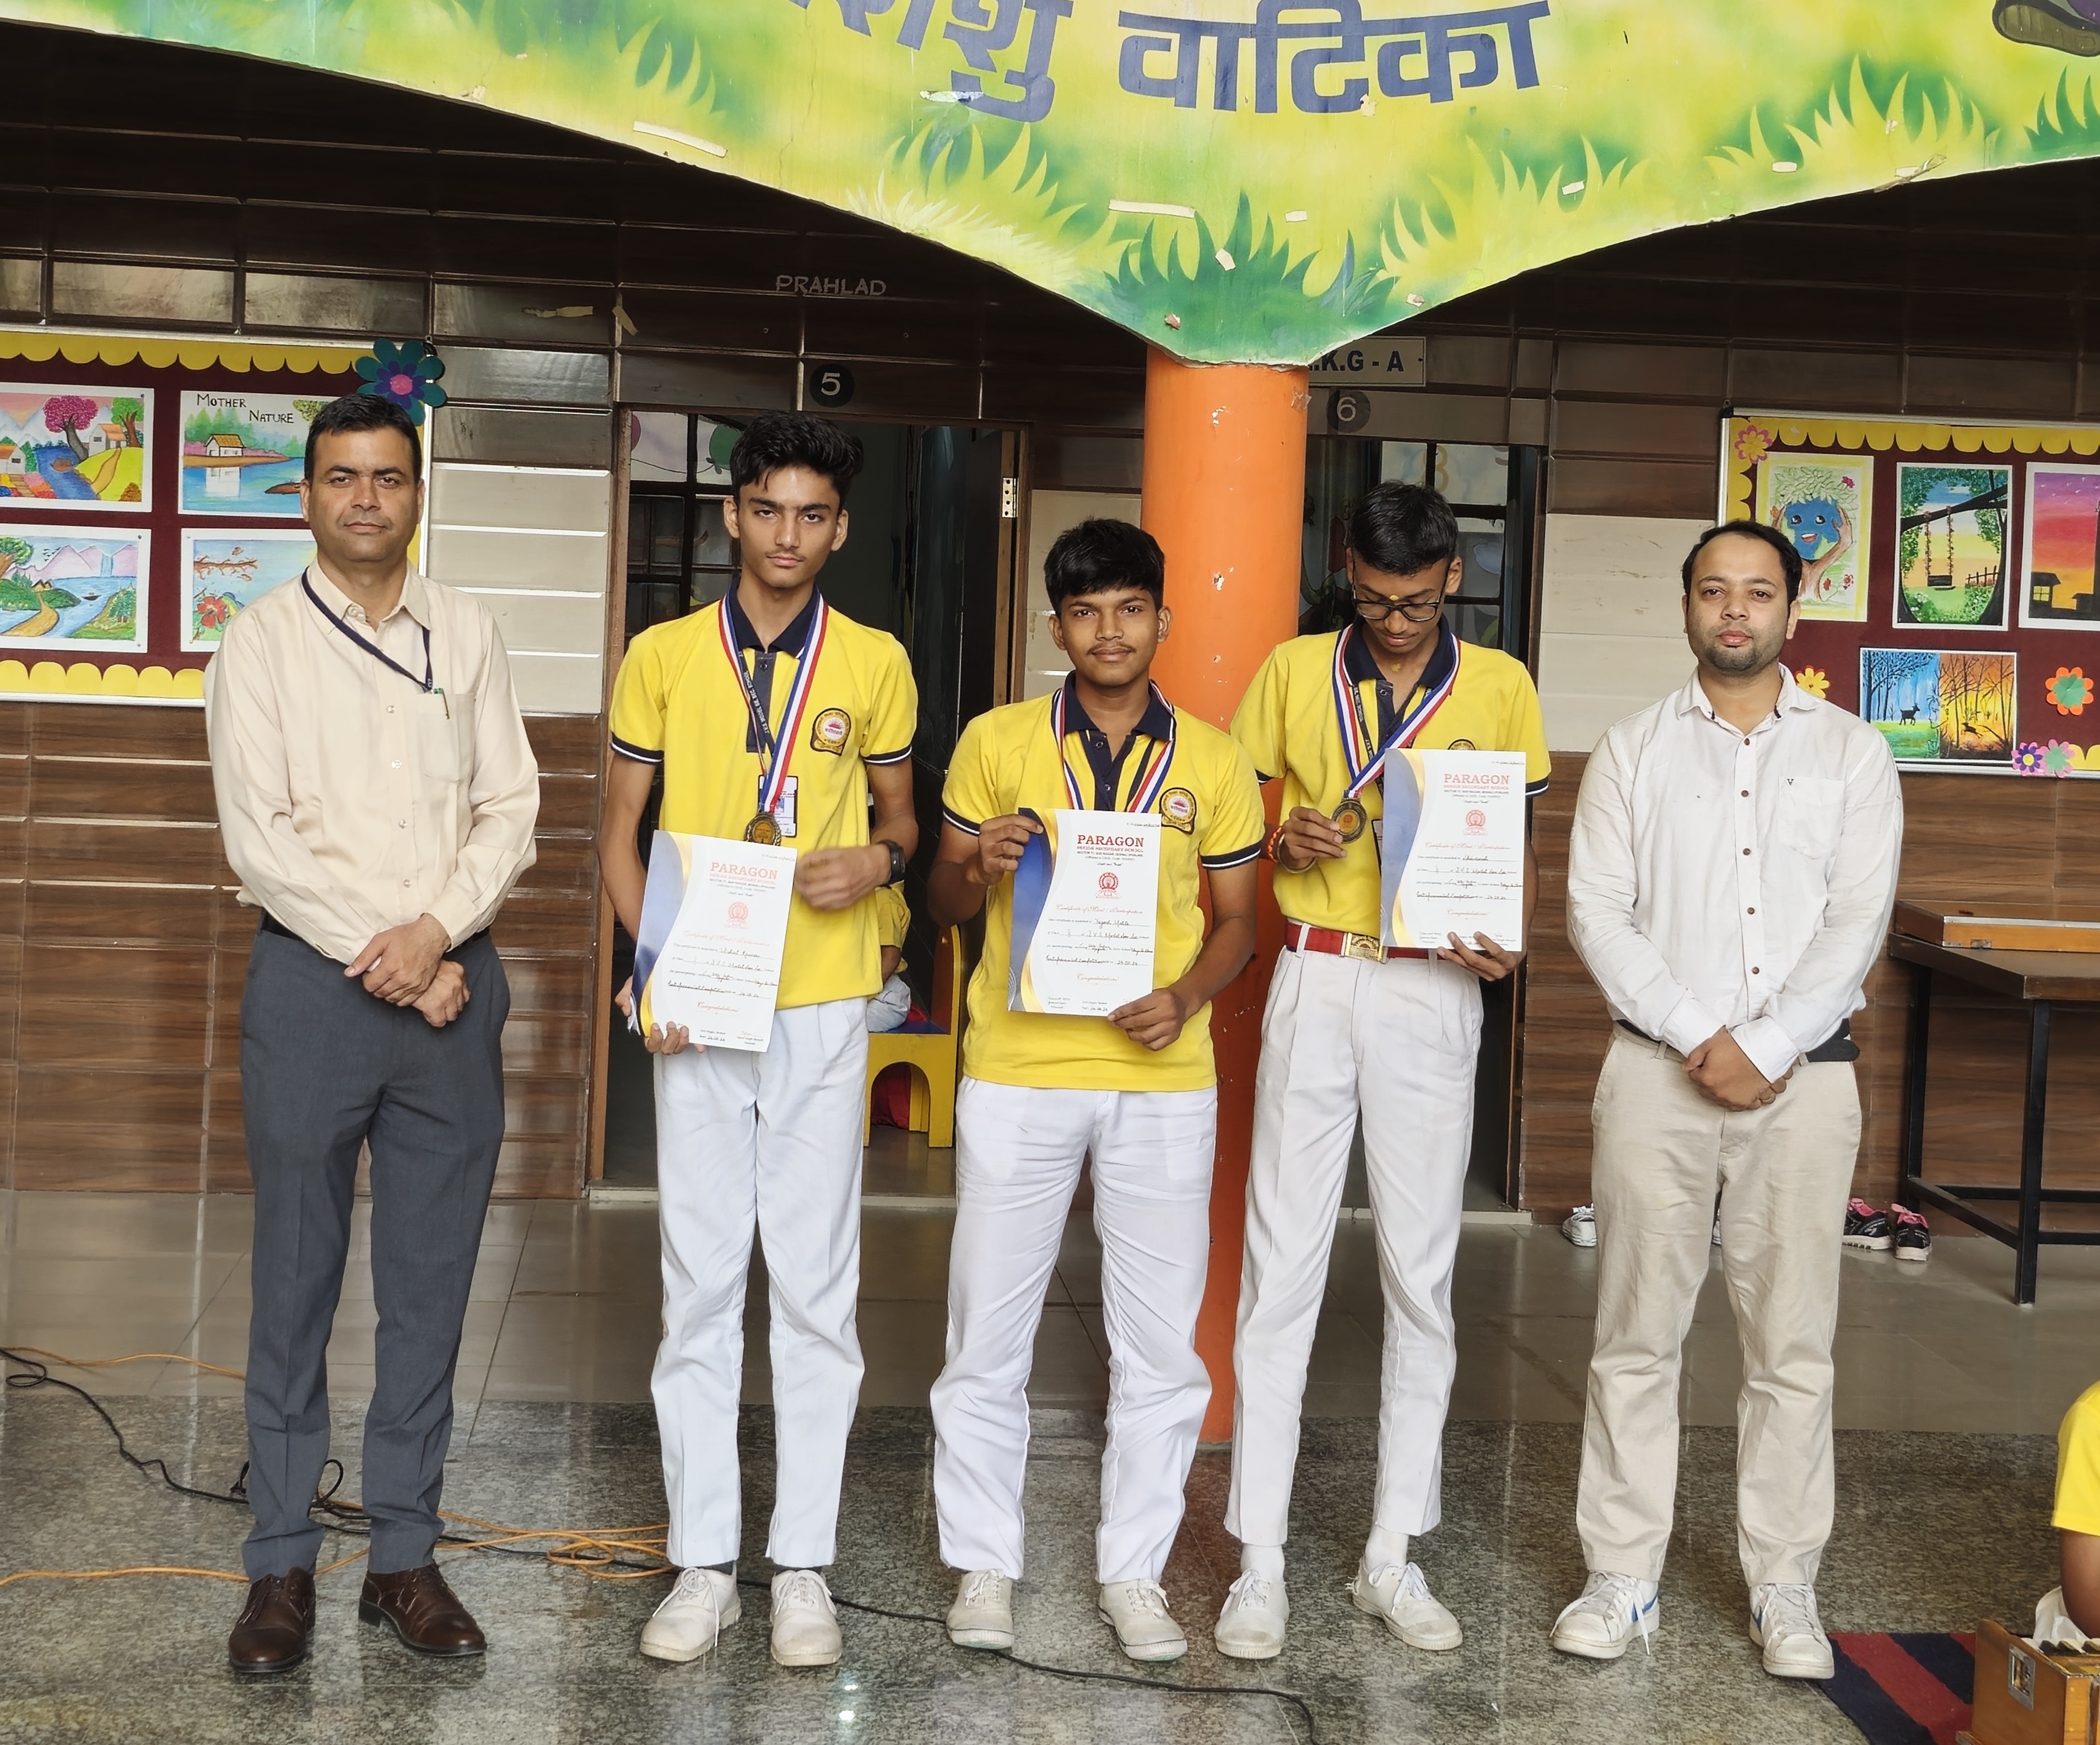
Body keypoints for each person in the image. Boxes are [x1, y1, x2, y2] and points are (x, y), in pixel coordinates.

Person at [205, 391, 541, 1674]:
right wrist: (401, 959)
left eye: (387, 477)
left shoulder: (469, 631)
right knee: (293, 1278)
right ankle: (280, 1560)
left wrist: (439, 932)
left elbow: (510, 806)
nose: (364, 498)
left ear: (416, 494)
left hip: (451, 984)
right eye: (341, 476)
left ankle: (402, 1552)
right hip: (315, 989)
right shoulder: (259, 644)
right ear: (305, 496)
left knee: (429, 1284)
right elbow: (261, 841)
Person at [599, 412, 917, 1669]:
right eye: (768, 509)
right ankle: (701, 1564)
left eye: (812, 514)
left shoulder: (874, 660)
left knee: (816, 1286)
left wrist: (876, 863)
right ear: (732, 514)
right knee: (697, 1282)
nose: (788, 533)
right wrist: (652, 967)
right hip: (701, 1001)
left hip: (822, 999)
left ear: (839, 529)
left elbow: (904, 824)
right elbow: (618, 832)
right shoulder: (664, 654)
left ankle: (801, 1568)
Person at [1557, 519, 1903, 1678]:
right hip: (1655, 1075)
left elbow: (1857, 918)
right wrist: (1702, 1036)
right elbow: (1597, 911)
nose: (1736, 610)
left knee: (1791, 1344)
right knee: (1633, 1337)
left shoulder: (1853, 752)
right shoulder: (1632, 748)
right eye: (1715, 591)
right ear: (1687, 608)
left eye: (1758, 591)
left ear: (1793, 611)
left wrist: (1764, 1043)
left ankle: (1784, 1583)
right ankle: (1621, 1576)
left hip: (1806, 1082)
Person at [1217, 482, 1550, 1661]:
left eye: (1415, 602)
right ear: (1345, 575)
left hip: (1432, 986)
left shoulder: (1500, 685)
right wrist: (1287, 833)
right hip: (1315, 971)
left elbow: (1509, 841)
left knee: (1420, 1274)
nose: (1395, 623)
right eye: (1371, 600)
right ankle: (1258, 1558)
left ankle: (1391, 1553)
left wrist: (1508, 935)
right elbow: (1235, 824)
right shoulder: (1294, 671)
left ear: (1452, 575)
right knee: (1280, 1266)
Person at [926, 518, 1264, 1663]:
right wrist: (976, 863)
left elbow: (1238, 923)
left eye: (1128, 608)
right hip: (1018, 1067)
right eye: (1084, 612)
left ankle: (1134, 1570)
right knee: (986, 1329)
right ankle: (984, 1561)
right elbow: (942, 903)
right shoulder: (997, 741)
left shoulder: (1213, 760)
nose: (1108, 631)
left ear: (1162, 619)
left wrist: (1184, 995)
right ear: (1055, 626)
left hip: (1161, 1075)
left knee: (1160, 1345)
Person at [866, 882, 913, 1033]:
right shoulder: (862, 897)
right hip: (864, 987)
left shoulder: (885, 900)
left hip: (885, 997)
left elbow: (890, 958)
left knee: (839, 1025)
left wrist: (859, 998)